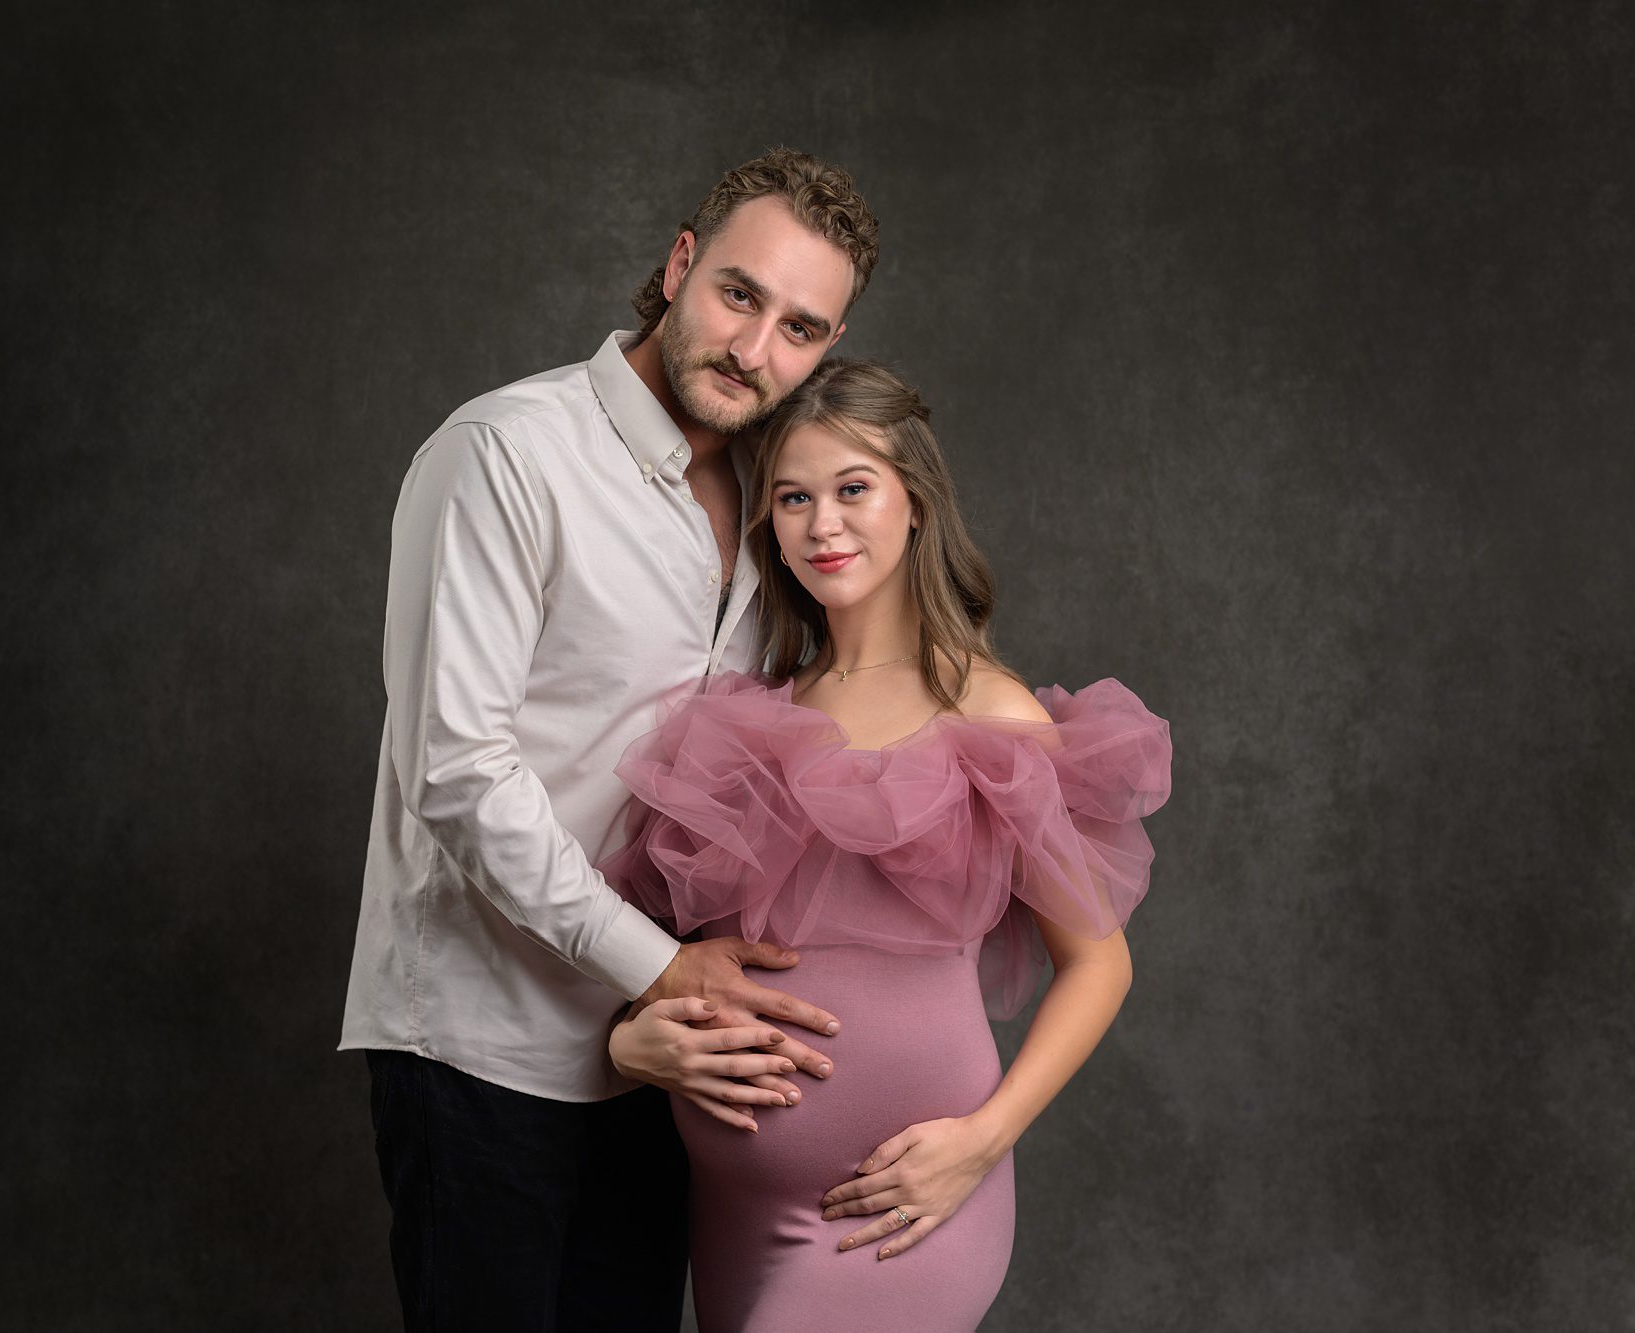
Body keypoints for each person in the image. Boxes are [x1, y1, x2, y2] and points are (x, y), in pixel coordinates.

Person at [339, 150, 882, 1331]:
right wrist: (658, 962)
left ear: (823, 350)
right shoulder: (505, 455)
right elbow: (456, 770)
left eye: (798, 328)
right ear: (678, 266)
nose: (753, 350)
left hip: (658, 1057)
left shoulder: (779, 502)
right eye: (739, 295)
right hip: (482, 1045)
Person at [600, 359, 1173, 1329]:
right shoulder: (746, 716)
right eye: (791, 498)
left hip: (896, 1203)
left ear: (915, 503)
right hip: (733, 1206)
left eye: (852, 488)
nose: (821, 526)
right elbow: (666, 960)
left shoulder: (987, 713)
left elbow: (1097, 963)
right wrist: (627, 1044)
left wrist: (983, 1140)